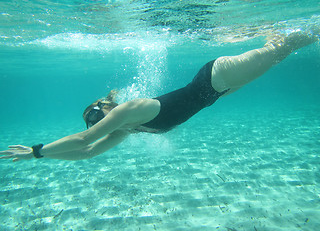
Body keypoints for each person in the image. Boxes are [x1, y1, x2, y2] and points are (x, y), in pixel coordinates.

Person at [1, 29, 319, 162]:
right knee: (277, 53)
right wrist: (43, 159)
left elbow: (84, 142)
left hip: (215, 76)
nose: (97, 122)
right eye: (93, 121)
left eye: (96, 116)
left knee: (280, 49)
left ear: (105, 111)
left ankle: (309, 29)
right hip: (219, 92)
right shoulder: (126, 128)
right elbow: (88, 152)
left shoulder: (128, 111)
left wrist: (36, 152)